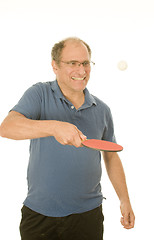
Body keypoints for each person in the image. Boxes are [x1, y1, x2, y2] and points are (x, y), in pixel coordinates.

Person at [0, 37, 135, 240]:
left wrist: (125, 200)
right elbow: (7, 128)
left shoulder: (103, 110)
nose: (81, 71)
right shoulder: (39, 93)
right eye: (72, 63)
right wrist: (54, 127)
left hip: (88, 215)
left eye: (85, 63)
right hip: (39, 215)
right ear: (55, 65)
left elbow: (111, 156)